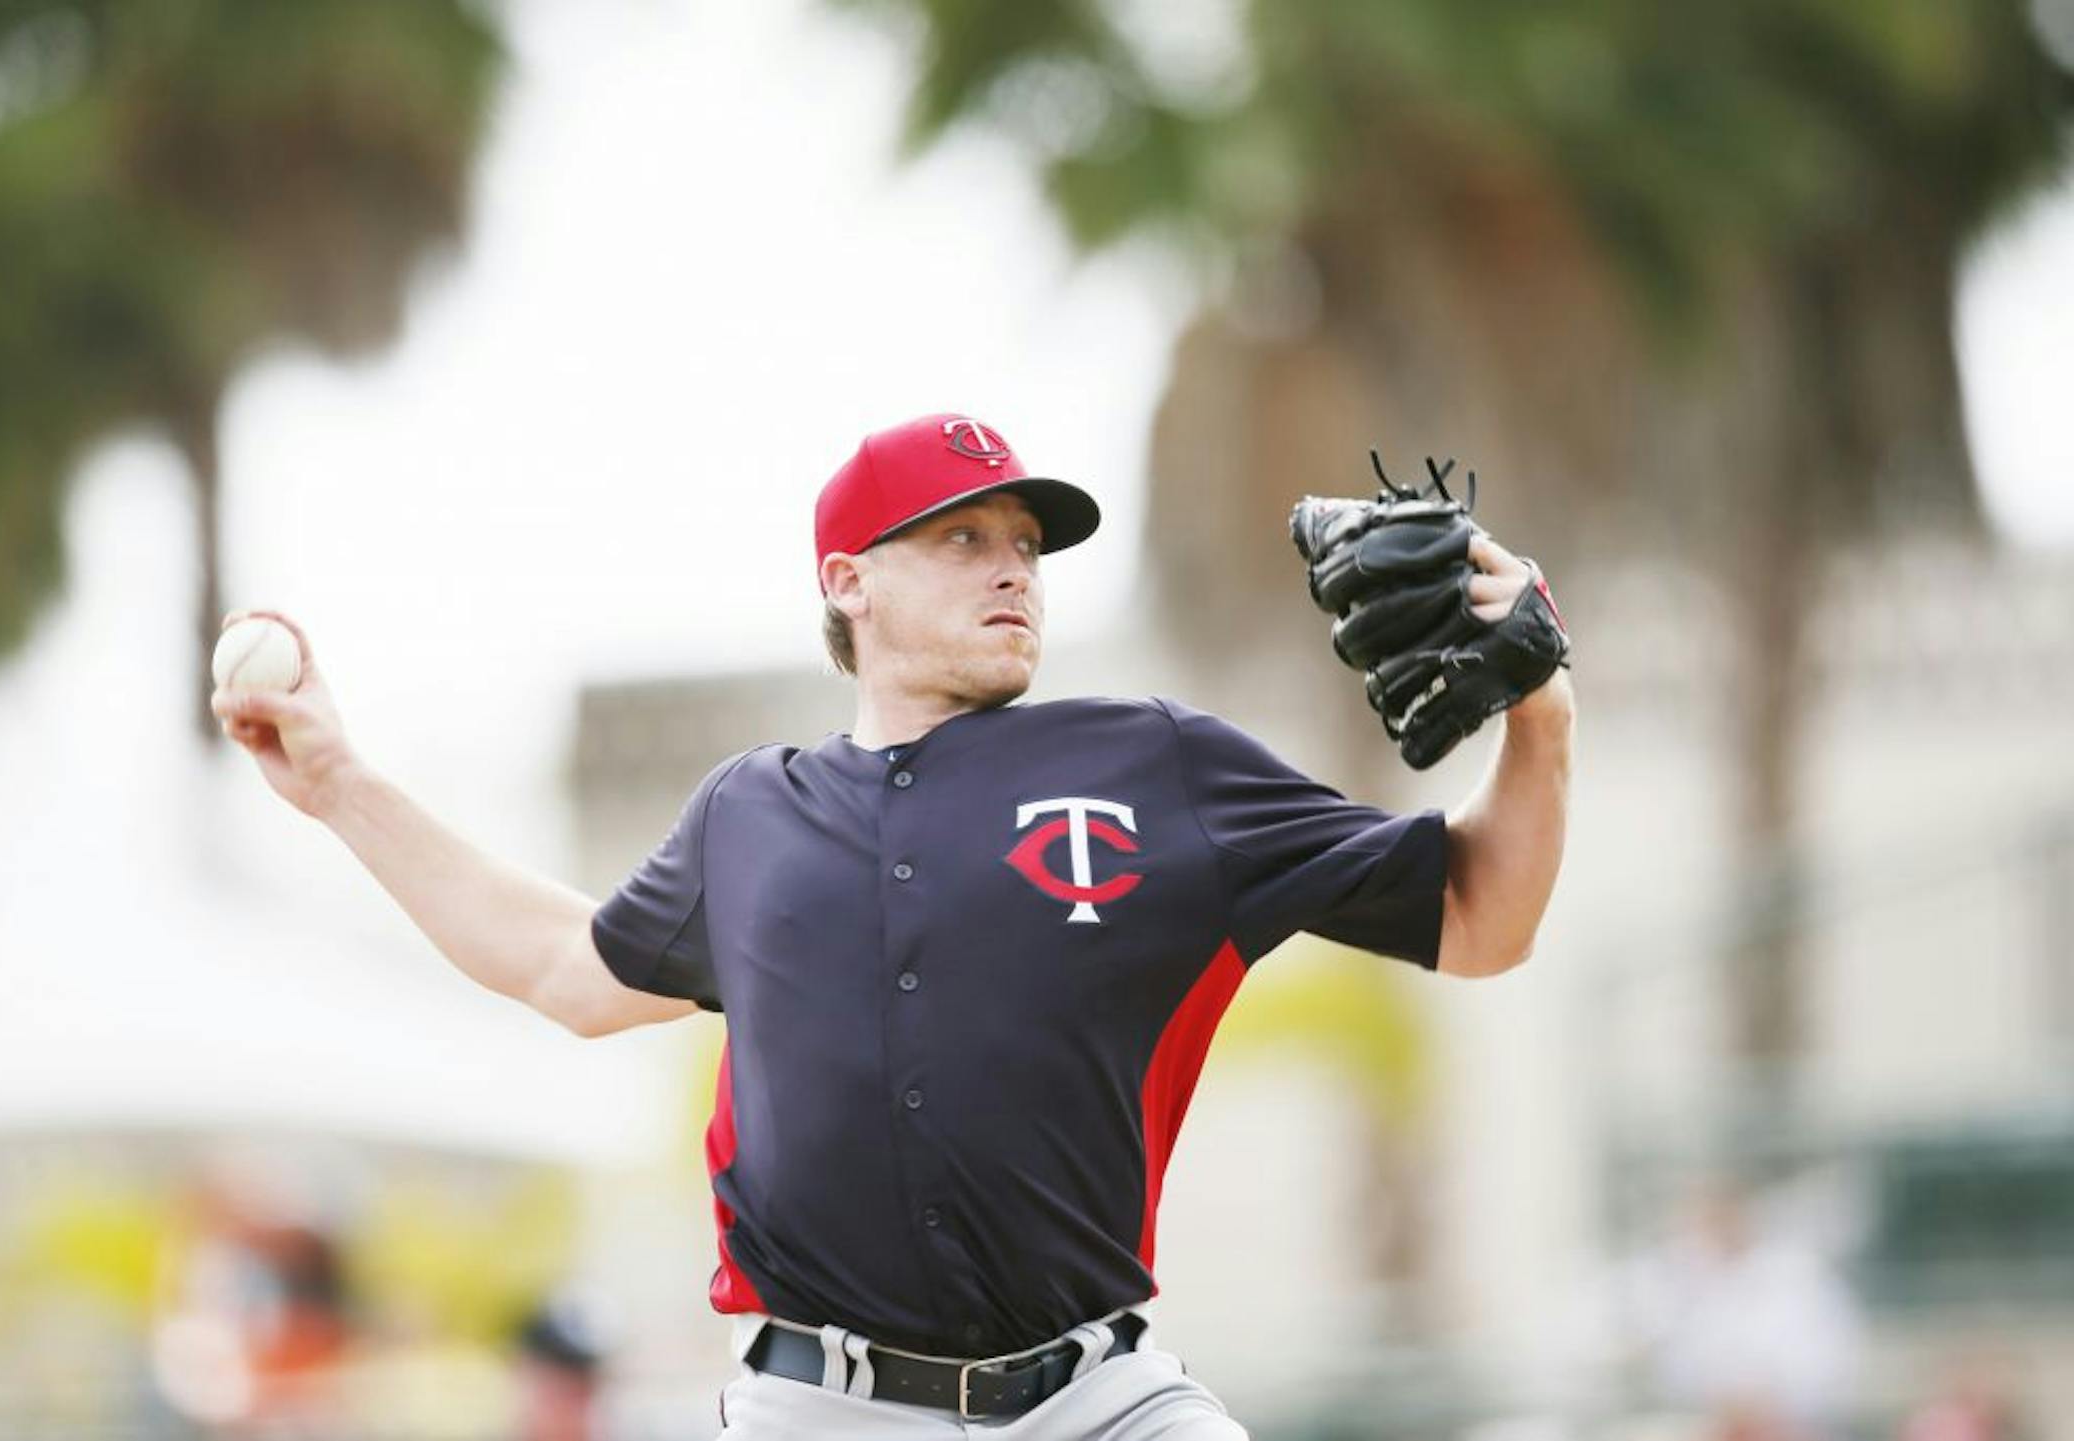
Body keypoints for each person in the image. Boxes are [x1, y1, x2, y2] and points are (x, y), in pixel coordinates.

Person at [211, 413, 1573, 1438]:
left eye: (1027, 545)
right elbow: (560, 967)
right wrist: (337, 783)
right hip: (828, 1411)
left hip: (1096, 1402)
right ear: (848, 579)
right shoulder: (750, 814)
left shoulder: (1154, 763)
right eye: (964, 536)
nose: (1013, 570)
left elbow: (1478, 915)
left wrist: (1541, 714)